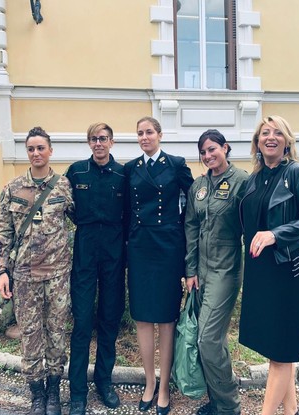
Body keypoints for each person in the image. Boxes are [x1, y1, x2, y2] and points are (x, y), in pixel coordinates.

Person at [239, 115, 299, 415]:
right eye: (264, 133)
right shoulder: (255, 178)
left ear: (287, 140)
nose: (270, 137)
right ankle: (292, 411)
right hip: (261, 271)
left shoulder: (298, 172)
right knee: (276, 347)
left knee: (281, 350)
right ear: (257, 142)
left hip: (287, 270)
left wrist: (276, 234)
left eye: (277, 133)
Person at [0, 126, 74, 415]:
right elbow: (3, 234)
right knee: (30, 336)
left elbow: (82, 221)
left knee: (56, 333)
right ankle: (37, 394)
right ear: (27, 152)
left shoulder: (64, 187)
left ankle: (54, 391)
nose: (36, 153)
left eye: (41, 148)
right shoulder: (12, 189)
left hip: (57, 275)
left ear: (50, 151)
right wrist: (3, 271)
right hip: (25, 277)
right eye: (31, 149)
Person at [124, 116, 194, 415]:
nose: (144, 137)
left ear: (160, 135)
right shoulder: (131, 169)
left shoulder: (176, 164)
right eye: (139, 133)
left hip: (168, 247)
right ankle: (149, 382)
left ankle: (165, 385)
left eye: (149, 132)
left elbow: (195, 202)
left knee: (166, 317)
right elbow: (126, 210)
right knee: (142, 317)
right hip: (140, 247)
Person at [184, 129, 248, 415]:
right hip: (201, 273)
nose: (208, 155)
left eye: (213, 149)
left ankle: (229, 405)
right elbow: (191, 228)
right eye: (203, 152)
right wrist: (190, 270)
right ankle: (217, 400)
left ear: (226, 148)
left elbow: (255, 221)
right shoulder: (198, 185)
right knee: (212, 339)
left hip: (226, 270)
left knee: (207, 340)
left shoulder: (242, 182)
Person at [65, 123, 126, 415]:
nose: (98, 143)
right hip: (85, 251)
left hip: (114, 252)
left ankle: (104, 381)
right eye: (93, 139)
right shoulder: (76, 172)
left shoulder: (122, 174)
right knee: (82, 323)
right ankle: (77, 392)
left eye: (103, 139)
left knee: (109, 321)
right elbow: (66, 207)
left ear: (111, 142)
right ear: (89, 143)